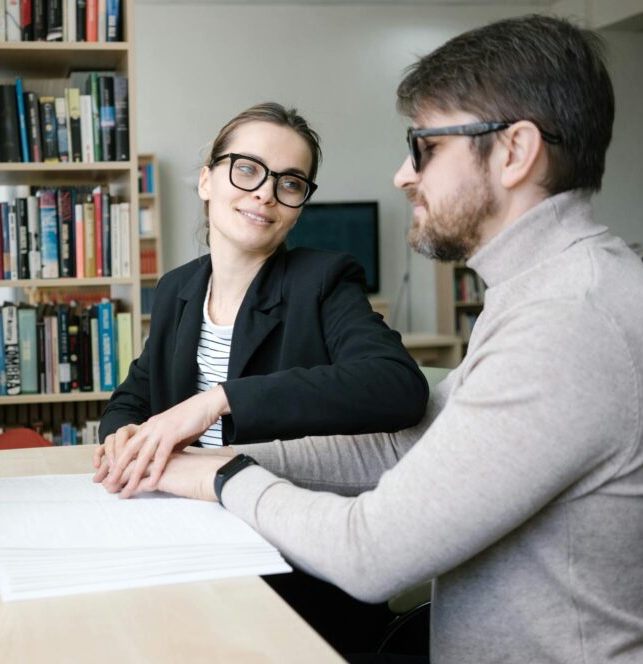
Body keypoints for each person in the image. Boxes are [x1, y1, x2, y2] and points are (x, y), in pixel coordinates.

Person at [132, 15, 643, 664]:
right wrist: (223, 455)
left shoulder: (571, 319)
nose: (401, 175)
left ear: (514, 151)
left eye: (423, 147)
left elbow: (371, 553)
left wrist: (222, 478)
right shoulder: (543, 292)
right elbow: (403, 445)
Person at [95, 103, 429, 498]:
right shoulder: (175, 289)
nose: (265, 193)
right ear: (206, 181)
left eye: (289, 183)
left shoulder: (323, 281)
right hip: (182, 504)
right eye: (247, 169)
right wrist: (123, 437)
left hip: (280, 508)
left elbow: (398, 385)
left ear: (299, 206)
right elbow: (133, 396)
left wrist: (217, 401)